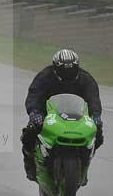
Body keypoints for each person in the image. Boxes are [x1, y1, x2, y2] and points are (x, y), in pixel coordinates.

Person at [21, 49, 103, 182]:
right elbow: (34, 95)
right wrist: (34, 112)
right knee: (29, 133)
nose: (67, 74)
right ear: (55, 67)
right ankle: (31, 165)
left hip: (78, 115)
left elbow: (93, 99)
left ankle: (84, 163)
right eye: (64, 70)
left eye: (71, 70)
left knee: (98, 132)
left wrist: (96, 115)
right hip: (48, 114)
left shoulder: (86, 79)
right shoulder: (45, 76)